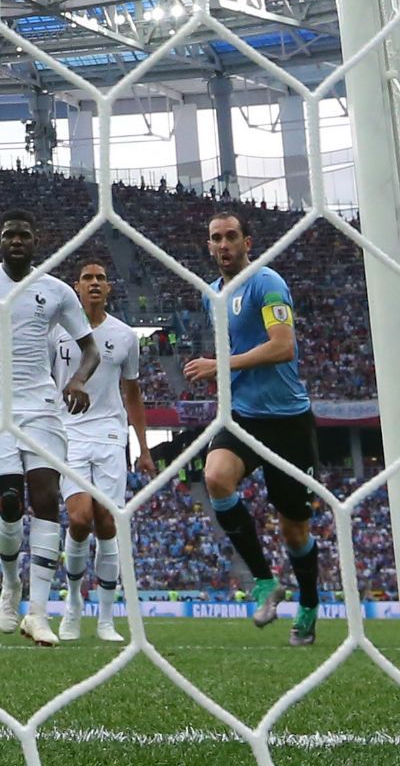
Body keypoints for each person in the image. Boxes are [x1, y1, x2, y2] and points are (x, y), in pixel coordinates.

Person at [0, 209, 99, 647]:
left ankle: (38, 613)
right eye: (9, 234)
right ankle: (11, 583)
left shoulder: (56, 291)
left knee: (47, 498)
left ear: (37, 241)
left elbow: (90, 349)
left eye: (24, 235)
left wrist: (77, 379)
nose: (16, 241)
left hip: (41, 405)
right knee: (10, 501)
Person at [183, 211, 322, 647]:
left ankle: (309, 605)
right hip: (243, 416)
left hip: (288, 421)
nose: (223, 244)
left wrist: (219, 364)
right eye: (216, 238)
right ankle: (264, 582)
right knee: (215, 478)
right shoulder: (212, 295)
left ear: (247, 242)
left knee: (294, 530)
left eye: (231, 236)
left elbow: (283, 347)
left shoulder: (267, 283)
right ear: (209, 246)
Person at [53, 261, 152, 643]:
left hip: (110, 435)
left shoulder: (125, 336)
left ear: (109, 288)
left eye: (101, 279)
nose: (94, 283)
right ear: (76, 287)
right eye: (87, 278)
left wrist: (143, 447)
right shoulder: (56, 332)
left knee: (107, 522)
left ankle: (107, 619)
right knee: (79, 519)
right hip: (68, 434)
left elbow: (133, 393)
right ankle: (73, 605)